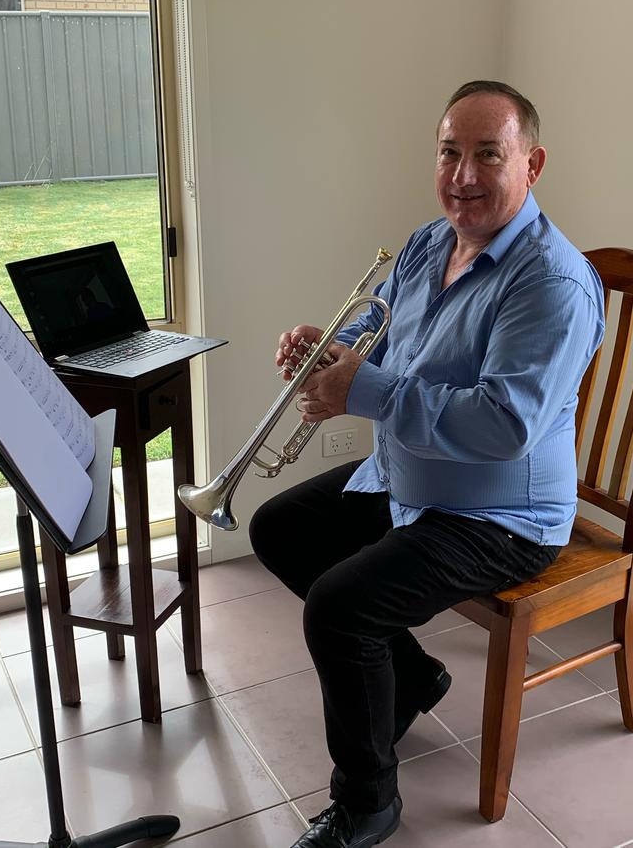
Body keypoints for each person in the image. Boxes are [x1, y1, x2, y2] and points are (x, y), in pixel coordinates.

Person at [249, 80, 605, 848]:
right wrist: (330, 357)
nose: (463, 175)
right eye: (450, 152)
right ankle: (410, 678)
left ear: (532, 163)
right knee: (278, 528)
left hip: (501, 515)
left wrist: (362, 388)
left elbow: (505, 424)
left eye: (488, 154)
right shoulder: (425, 243)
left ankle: (369, 802)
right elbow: (389, 352)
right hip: (411, 479)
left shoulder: (554, 282)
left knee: (340, 609)